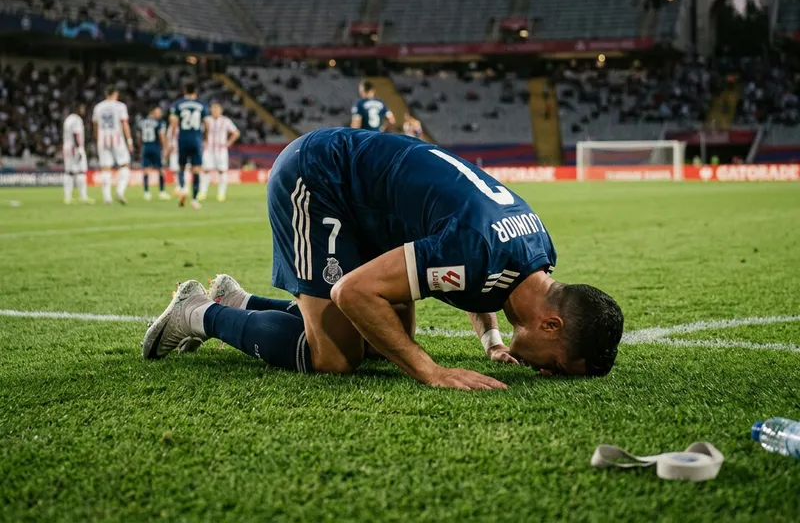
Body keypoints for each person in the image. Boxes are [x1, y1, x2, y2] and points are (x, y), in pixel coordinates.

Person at [143, 129, 623, 390]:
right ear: (551, 325)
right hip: (321, 180)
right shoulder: (478, 250)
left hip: (374, 209)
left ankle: (239, 301)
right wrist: (430, 371)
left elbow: (485, 280)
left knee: (387, 340)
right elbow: (352, 291)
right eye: (556, 366)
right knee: (335, 358)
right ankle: (198, 313)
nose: (545, 372)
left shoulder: (536, 253)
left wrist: (493, 340)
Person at [168, 81, 209, 210]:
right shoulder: (201, 105)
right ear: (195, 91)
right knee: (196, 169)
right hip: (196, 139)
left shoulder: (178, 104)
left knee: (181, 167)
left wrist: (171, 139)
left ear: (184, 90)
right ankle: (195, 200)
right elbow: (207, 123)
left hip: (183, 139)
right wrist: (206, 138)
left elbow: (174, 123)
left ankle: (183, 188)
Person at [92, 86, 132, 205]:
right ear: (115, 93)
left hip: (102, 138)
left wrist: (97, 138)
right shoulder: (120, 106)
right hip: (117, 138)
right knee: (124, 164)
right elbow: (124, 124)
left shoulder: (98, 107)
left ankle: (107, 198)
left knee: (105, 168)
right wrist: (129, 140)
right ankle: (120, 191)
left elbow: (95, 125)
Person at [198, 102, 240, 202]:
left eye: (217, 109)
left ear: (220, 110)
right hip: (209, 149)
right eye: (213, 109)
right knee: (206, 170)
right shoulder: (206, 120)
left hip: (221, 150)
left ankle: (221, 194)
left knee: (222, 171)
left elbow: (236, 132)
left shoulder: (225, 121)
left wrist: (228, 143)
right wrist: (203, 141)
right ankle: (202, 193)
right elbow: (201, 133)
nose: (215, 111)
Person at [62, 102, 92, 204]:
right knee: (81, 171)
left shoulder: (68, 119)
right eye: (82, 108)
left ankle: (68, 197)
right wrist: (78, 149)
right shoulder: (77, 120)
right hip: (74, 148)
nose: (83, 110)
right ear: (77, 109)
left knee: (69, 172)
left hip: (67, 147)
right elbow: (75, 135)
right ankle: (83, 196)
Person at [138, 107, 169, 201]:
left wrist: (141, 146)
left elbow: (138, 136)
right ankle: (162, 192)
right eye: (158, 112)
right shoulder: (158, 123)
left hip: (145, 147)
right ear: (152, 112)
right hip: (155, 147)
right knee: (161, 169)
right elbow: (161, 135)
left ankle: (146, 192)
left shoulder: (141, 123)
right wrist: (165, 148)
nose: (159, 115)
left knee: (146, 170)